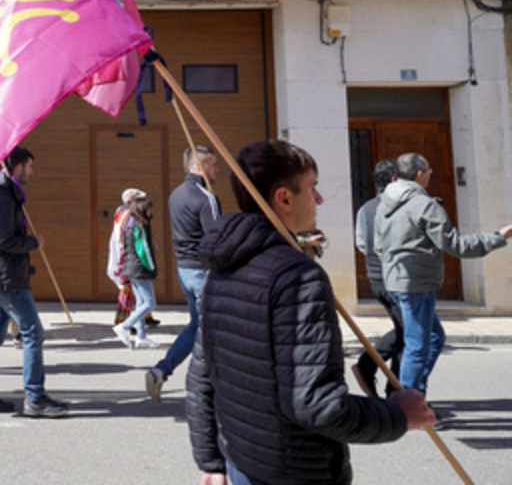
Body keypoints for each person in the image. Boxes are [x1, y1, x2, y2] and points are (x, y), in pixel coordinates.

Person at [187, 139, 435, 484]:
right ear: (284, 198)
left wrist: (211, 460)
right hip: (295, 471)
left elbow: (201, 378)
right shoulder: (298, 276)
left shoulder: (222, 268)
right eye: (312, 188)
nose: (319, 199)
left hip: (242, 461)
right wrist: (397, 415)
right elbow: (317, 404)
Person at [374, 152, 512, 396]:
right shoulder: (425, 205)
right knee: (418, 346)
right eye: (428, 170)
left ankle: (410, 393)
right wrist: (498, 237)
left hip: (395, 281)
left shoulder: (384, 202)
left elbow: (377, 245)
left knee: (434, 338)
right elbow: (456, 246)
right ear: (419, 174)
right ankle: (408, 402)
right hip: (416, 285)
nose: (430, 174)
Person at [0, 147, 68, 418]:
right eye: (29, 167)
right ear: (17, 166)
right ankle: (35, 397)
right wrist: (32, 242)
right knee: (33, 333)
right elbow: (3, 240)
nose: (31, 172)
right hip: (6, 277)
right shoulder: (2, 196)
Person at [146, 145, 221, 401]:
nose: (217, 170)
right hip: (203, 272)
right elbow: (216, 240)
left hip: (185, 270)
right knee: (211, 330)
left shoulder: (175, 195)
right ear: (198, 166)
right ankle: (207, 386)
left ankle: (163, 370)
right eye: (212, 164)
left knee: (198, 326)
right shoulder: (206, 197)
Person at [352, 158, 402, 397]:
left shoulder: (365, 208)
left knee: (406, 331)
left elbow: (362, 243)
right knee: (410, 333)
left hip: (376, 278)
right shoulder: (398, 207)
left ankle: (370, 368)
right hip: (397, 279)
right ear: (395, 181)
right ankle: (391, 387)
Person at [112, 190, 159, 350]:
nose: (151, 212)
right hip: (139, 268)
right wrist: (151, 266)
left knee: (140, 302)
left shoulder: (128, 221)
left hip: (131, 267)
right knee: (150, 303)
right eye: (149, 208)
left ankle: (141, 337)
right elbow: (143, 248)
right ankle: (125, 326)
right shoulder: (139, 224)